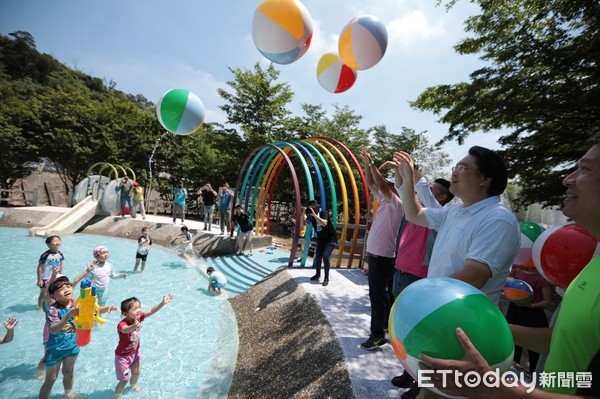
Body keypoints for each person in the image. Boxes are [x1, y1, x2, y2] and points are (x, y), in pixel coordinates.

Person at [419, 134, 600, 398]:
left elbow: (473, 275)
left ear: (485, 180)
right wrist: (485, 330)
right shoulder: (592, 266)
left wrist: (494, 387)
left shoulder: (498, 219)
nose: (567, 178)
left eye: (585, 169)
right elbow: (564, 340)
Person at [385, 165, 454, 398]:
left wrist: (411, 177)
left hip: (419, 278)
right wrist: (402, 175)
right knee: (405, 329)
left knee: (422, 332)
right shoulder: (418, 212)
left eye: (430, 190)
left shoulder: (438, 218)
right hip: (402, 272)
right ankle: (408, 371)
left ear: (441, 198)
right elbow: (405, 191)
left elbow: (413, 193)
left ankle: (420, 383)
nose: (421, 192)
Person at [39, 274, 116, 399]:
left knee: (68, 372)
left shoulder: (78, 303)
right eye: (61, 289)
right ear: (53, 296)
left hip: (73, 345)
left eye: (68, 286)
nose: (67, 289)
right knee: (51, 378)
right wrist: (68, 316)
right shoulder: (53, 310)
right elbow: (53, 330)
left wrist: (107, 308)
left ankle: (68, 392)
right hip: (55, 348)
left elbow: (91, 311)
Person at [358, 148, 404, 351]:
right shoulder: (384, 201)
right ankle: (383, 327)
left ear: (395, 189)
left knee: (378, 298)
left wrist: (371, 162)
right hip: (378, 257)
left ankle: (377, 335)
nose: (384, 188)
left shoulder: (397, 203)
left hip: (383, 258)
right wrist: (367, 165)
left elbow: (382, 184)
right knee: (383, 296)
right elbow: (371, 183)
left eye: (389, 186)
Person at [113, 294, 174, 398]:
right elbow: (124, 330)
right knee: (124, 380)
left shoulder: (139, 317)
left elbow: (151, 311)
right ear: (125, 313)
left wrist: (162, 303)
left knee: (136, 372)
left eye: (139, 307)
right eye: (135, 308)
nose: (139, 310)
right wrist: (133, 326)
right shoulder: (122, 324)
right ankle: (116, 396)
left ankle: (133, 385)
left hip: (135, 353)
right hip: (122, 357)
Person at [506, 264, 552, 374]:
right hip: (515, 311)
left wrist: (533, 305)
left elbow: (547, 300)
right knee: (512, 341)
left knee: (534, 347)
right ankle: (512, 370)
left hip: (533, 314)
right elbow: (509, 286)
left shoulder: (541, 278)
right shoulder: (517, 272)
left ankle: (535, 373)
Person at [306, 200, 338, 287]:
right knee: (318, 256)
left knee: (325, 256)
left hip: (331, 240)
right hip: (321, 239)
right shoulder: (311, 217)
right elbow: (303, 224)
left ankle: (326, 278)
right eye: (311, 208)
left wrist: (314, 215)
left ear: (317, 207)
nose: (313, 210)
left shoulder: (323, 212)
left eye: (314, 208)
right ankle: (317, 274)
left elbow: (324, 223)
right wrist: (303, 214)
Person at [37, 235, 64, 310]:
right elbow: (40, 267)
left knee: (55, 293)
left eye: (58, 240)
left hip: (56, 277)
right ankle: (40, 307)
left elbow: (61, 265)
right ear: (48, 244)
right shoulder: (45, 255)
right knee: (43, 293)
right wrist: (40, 279)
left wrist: (60, 276)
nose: (57, 242)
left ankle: (52, 306)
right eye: (55, 241)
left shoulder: (60, 254)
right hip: (45, 278)